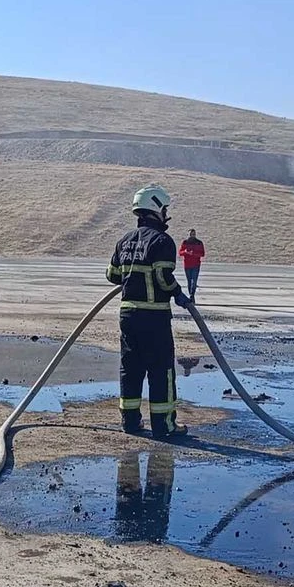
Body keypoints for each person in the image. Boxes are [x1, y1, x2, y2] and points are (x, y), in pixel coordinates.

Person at [106, 185, 191, 438]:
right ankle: (164, 426)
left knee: (130, 369)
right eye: (165, 209)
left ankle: (130, 422)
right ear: (156, 209)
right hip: (154, 317)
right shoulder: (162, 241)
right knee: (160, 369)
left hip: (128, 316)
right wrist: (177, 293)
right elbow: (163, 277)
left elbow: (112, 275)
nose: (167, 214)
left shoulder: (124, 241)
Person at [178, 229, 206, 301]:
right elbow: (180, 253)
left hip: (196, 265)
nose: (192, 236)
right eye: (191, 234)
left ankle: (192, 295)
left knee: (194, 281)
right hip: (187, 265)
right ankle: (190, 294)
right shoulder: (185, 242)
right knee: (189, 281)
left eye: (193, 234)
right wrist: (185, 252)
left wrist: (193, 254)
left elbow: (202, 254)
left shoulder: (199, 243)